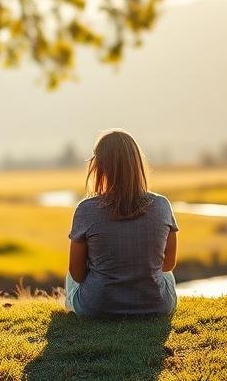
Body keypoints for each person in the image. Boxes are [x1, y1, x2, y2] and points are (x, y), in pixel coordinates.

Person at [66, 129, 179, 318]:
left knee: (71, 275)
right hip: (156, 307)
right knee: (166, 275)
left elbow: (76, 273)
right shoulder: (162, 205)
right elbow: (168, 265)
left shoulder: (85, 209)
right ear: (137, 163)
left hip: (97, 308)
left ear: (99, 166)